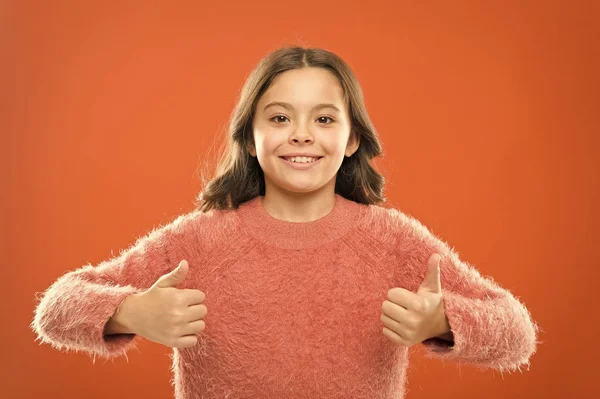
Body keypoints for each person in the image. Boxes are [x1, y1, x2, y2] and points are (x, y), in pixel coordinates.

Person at [30, 46, 538, 398]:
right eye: (278, 118)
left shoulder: (394, 239)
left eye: (323, 118)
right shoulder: (198, 241)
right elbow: (56, 308)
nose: (300, 134)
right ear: (250, 137)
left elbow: (517, 334)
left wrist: (444, 321)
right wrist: (130, 312)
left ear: (352, 139)